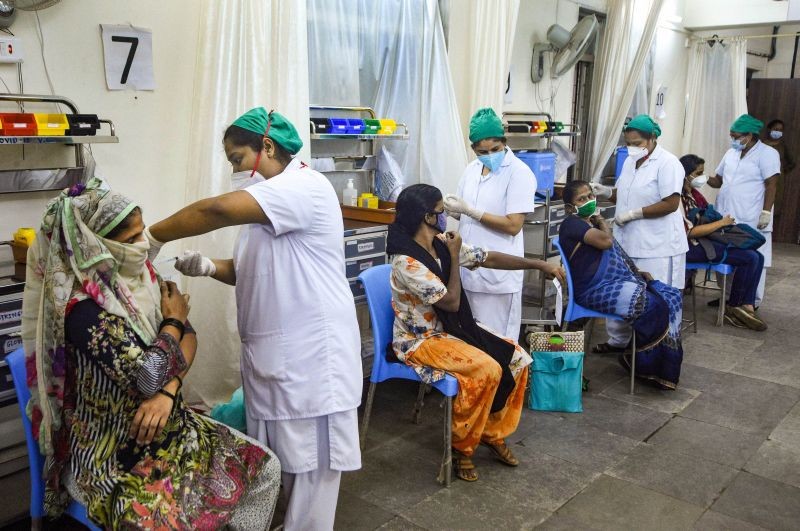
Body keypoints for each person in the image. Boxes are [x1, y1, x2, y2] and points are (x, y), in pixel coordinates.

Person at [144, 107, 362, 530]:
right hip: (273, 364)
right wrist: (209, 266)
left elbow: (218, 210)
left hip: (311, 364)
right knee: (277, 473)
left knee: (311, 479)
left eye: (237, 158)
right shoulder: (271, 204)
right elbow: (255, 272)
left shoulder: (304, 188)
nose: (234, 169)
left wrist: (155, 235)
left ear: (266, 146)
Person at [20, 179, 280, 529]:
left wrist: (168, 393)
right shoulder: (80, 309)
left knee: (265, 467)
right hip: (111, 452)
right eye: (131, 240)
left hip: (169, 425)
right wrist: (173, 320)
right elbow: (147, 375)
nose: (144, 246)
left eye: (143, 234)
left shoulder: (142, 277)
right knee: (174, 517)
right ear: (95, 245)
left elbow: (190, 338)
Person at [387, 184, 564, 482]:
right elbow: (452, 301)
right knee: (486, 369)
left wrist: (537, 264)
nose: (446, 217)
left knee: (517, 357)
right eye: (442, 212)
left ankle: (492, 433)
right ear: (427, 217)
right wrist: (455, 258)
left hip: (453, 329)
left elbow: (488, 258)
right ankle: (461, 449)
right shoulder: (406, 261)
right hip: (421, 340)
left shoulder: (441, 242)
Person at [559, 180, 684, 389]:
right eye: (582, 199)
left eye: (590, 196)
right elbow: (606, 242)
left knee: (670, 296)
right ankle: (642, 364)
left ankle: (662, 366)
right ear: (570, 208)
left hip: (610, 283)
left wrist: (634, 272)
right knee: (650, 306)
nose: (589, 200)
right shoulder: (572, 223)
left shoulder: (586, 223)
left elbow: (612, 255)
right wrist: (600, 219)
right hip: (593, 290)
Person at [591, 114, 687, 354]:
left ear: (652, 138)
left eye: (637, 143)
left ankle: (653, 350)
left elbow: (670, 203)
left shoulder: (668, 163)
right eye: (628, 143)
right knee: (624, 292)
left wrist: (633, 214)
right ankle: (618, 342)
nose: (632, 147)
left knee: (655, 297)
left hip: (658, 245)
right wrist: (605, 192)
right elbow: (625, 193)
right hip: (628, 242)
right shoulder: (630, 162)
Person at [442, 107, 537, 340]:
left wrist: (471, 211)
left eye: (495, 149)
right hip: (469, 270)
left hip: (499, 277)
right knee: (473, 341)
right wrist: (455, 211)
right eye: (482, 151)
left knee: (499, 343)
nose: (490, 154)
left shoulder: (519, 173)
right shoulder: (471, 170)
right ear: (474, 149)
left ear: (504, 142)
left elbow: (513, 225)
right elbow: (467, 214)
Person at [680, 154, 767, 331]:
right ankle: (733, 307)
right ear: (686, 174)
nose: (702, 177)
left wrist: (721, 222)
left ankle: (747, 305)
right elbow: (689, 232)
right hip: (690, 247)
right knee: (749, 257)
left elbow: (706, 217)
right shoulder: (678, 198)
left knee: (758, 256)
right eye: (698, 173)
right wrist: (720, 223)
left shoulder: (696, 195)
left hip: (705, 241)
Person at [708, 114, 780, 308]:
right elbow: (718, 180)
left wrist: (766, 212)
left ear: (749, 135)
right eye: (731, 136)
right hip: (726, 216)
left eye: (736, 136)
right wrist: (700, 178)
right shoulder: (730, 153)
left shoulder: (767, 154)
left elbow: (772, 184)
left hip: (752, 216)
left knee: (754, 259)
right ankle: (728, 297)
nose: (733, 140)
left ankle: (751, 301)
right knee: (727, 255)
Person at [762, 119, 796, 218]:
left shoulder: (782, 146)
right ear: (769, 129)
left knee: (773, 207)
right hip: (761, 178)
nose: (778, 132)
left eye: (780, 130)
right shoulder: (761, 144)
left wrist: (782, 171)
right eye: (775, 129)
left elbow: (792, 162)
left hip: (777, 181)